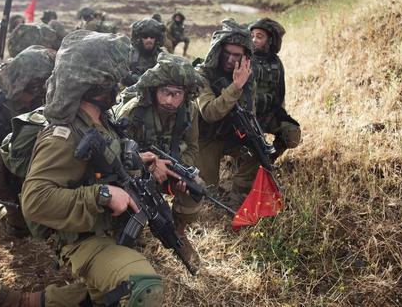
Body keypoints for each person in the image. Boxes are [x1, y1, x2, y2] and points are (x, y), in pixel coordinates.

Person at [0, 30, 166, 306]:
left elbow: (100, 165)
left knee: (105, 296)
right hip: (83, 238)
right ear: (96, 84)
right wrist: (102, 195)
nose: (119, 84)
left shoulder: (99, 121)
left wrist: (140, 164)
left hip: (107, 227)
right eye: (113, 79)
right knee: (143, 289)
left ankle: (25, 302)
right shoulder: (64, 134)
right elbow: (35, 201)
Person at [115, 53, 206, 272]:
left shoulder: (189, 111)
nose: (170, 101)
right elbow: (115, 155)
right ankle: (126, 242)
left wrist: (181, 171)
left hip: (169, 167)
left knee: (197, 186)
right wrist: (147, 165)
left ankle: (178, 231)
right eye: (166, 92)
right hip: (132, 173)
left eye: (177, 94)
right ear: (154, 89)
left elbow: (192, 147)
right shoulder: (134, 112)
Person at [0, 46, 55, 238]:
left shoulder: (46, 100)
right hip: (9, 172)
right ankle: (4, 212)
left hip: (36, 168)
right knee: (20, 228)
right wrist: (8, 198)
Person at [194, 19, 259, 208]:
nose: (231, 59)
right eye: (227, 53)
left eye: (236, 55)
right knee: (207, 195)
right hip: (205, 138)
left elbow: (250, 113)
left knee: (257, 151)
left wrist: (252, 137)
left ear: (245, 57)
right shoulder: (202, 74)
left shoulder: (247, 77)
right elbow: (209, 112)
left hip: (230, 135)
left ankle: (237, 196)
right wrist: (236, 86)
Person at [248, 18, 301, 162]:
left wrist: (280, 115)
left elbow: (279, 93)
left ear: (270, 40)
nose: (254, 40)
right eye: (252, 36)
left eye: (259, 36)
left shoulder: (276, 63)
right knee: (250, 148)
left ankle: (268, 160)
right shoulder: (244, 58)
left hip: (269, 114)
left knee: (292, 134)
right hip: (247, 116)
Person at [122, 18, 166, 86]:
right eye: (145, 37)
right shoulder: (130, 54)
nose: (149, 40)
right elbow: (122, 77)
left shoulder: (162, 56)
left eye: (152, 37)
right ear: (139, 38)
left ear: (156, 38)